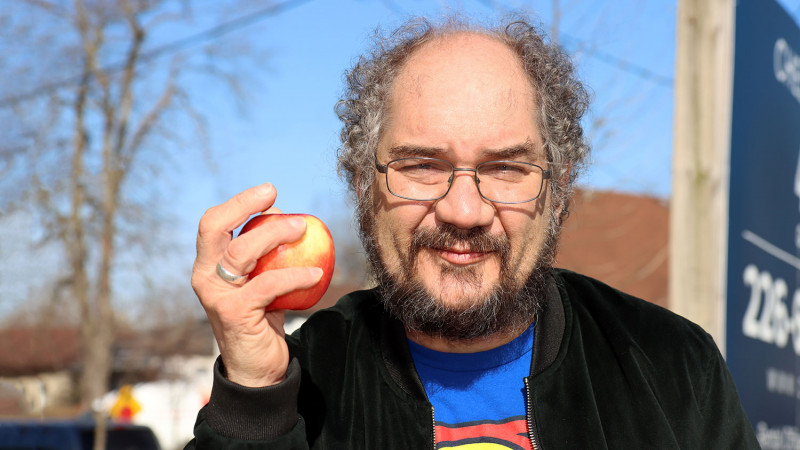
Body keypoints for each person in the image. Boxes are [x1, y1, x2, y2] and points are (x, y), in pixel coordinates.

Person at [186, 15, 760, 449]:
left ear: (558, 190)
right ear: (362, 184)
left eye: (506, 168)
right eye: (421, 165)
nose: (464, 211)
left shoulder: (673, 367)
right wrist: (253, 402)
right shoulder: (302, 381)